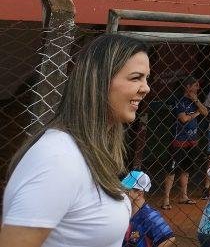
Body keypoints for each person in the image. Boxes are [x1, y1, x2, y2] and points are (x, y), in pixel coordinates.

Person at [1, 33, 149, 246]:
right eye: (136, 77)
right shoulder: (57, 157)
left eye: (146, 78)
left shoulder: (89, 152)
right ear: (99, 81)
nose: (146, 88)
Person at [163, 76, 210, 209]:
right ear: (187, 87)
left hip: (192, 140)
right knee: (171, 169)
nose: (198, 88)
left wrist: (196, 101)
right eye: (195, 85)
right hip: (178, 140)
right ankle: (166, 199)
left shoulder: (195, 100)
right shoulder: (179, 100)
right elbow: (183, 119)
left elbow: (205, 112)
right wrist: (196, 114)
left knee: (186, 169)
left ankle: (184, 196)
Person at [122, 171, 176, 247]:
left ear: (139, 194)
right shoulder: (125, 211)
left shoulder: (149, 215)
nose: (122, 194)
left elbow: (169, 238)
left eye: (127, 192)